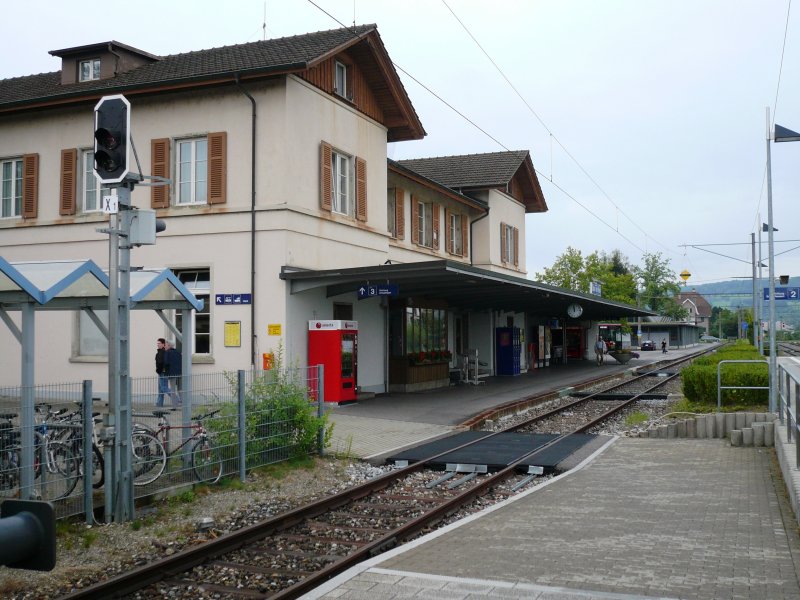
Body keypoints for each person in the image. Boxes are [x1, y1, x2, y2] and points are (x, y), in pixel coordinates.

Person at [164, 340, 182, 407]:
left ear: (169, 345)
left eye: (165, 345)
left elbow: (166, 363)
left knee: (172, 389)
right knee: (180, 389)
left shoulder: (167, 352)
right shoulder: (178, 352)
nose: (164, 346)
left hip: (172, 373)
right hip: (180, 373)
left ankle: (174, 405)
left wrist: (165, 372)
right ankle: (183, 404)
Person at [155, 338, 169, 407]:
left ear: (163, 344)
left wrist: (158, 370)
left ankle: (176, 399)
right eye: (157, 343)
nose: (157, 345)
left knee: (163, 387)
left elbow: (160, 363)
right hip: (162, 372)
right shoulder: (161, 352)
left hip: (162, 372)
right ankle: (159, 404)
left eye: (159, 343)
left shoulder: (162, 352)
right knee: (160, 389)